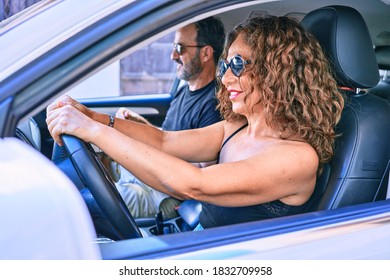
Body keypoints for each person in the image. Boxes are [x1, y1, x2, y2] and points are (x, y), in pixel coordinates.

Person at [46, 16, 344, 230]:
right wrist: (92, 116)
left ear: (278, 72)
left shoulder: (296, 157)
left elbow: (194, 185)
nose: (226, 78)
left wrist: (93, 131)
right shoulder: (236, 127)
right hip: (202, 240)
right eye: (226, 64)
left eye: (238, 65)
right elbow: (164, 141)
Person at [110, 17, 225, 219]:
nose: (173, 55)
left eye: (180, 48)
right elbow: (168, 139)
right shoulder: (184, 91)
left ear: (206, 53)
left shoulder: (214, 104)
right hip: (149, 173)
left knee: (93, 204)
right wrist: (141, 125)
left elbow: (204, 176)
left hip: (166, 193)